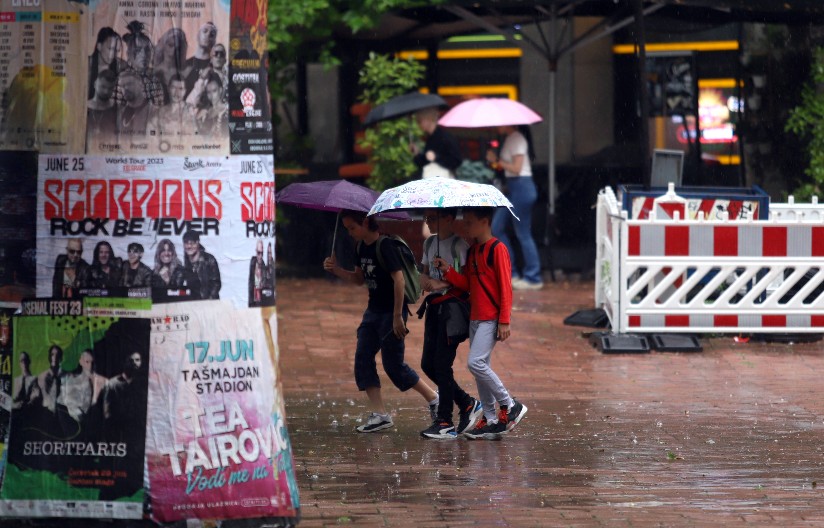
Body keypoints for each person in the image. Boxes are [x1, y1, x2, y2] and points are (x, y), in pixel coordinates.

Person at [323, 209, 438, 433]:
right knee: (363, 357)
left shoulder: (385, 246)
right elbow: (359, 279)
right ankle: (380, 414)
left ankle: (434, 398)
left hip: (392, 313)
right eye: (346, 229)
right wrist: (336, 270)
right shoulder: (360, 247)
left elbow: (399, 281)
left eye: (352, 228)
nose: (349, 233)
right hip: (373, 312)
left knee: (394, 366)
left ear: (366, 222)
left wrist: (397, 317)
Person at [434, 207, 528, 440]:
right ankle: (491, 418)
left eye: (469, 222)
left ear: (485, 221)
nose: (465, 226)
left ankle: (509, 404)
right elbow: (468, 284)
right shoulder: (474, 250)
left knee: (475, 363)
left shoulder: (497, 249)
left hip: (491, 317)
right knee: (480, 366)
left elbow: (505, 287)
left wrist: (504, 320)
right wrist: (448, 270)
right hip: (475, 317)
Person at [417, 209, 484, 440]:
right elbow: (424, 274)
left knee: (442, 364)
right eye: (426, 218)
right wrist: (426, 281)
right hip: (434, 308)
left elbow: (467, 283)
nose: (428, 222)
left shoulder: (459, 246)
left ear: (448, 219)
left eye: (432, 218)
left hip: (451, 310)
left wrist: (445, 276)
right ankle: (466, 403)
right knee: (428, 364)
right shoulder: (429, 244)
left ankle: (445, 421)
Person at [486, 124, 543, 290]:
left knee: (523, 233)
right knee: (497, 227)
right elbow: (508, 167)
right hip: (513, 188)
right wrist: (495, 162)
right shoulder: (511, 139)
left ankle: (533, 276)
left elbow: (517, 168)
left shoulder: (517, 138)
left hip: (521, 187)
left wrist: (497, 161)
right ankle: (512, 274)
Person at [121, 20, 164, 107]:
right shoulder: (122, 80)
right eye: (138, 50)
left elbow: (159, 110)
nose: (144, 55)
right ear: (128, 54)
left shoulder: (154, 80)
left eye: (147, 50)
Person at [57, 349, 107, 423]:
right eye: (87, 362)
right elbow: (69, 404)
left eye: (92, 362)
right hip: (70, 417)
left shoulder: (95, 378)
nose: (90, 366)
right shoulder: (73, 380)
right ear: (80, 361)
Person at [412, 107, 463, 178]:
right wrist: (416, 154)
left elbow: (456, 160)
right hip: (431, 178)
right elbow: (425, 162)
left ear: (429, 119)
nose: (418, 124)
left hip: (444, 180)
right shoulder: (430, 138)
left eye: (420, 121)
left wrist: (437, 158)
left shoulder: (445, 137)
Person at [148, 73, 197, 139]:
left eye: (181, 89)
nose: (177, 93)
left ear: (185, 91)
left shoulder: (191, 111)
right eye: (173, 87)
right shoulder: (159, 112)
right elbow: (150, 135)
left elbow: (195, 137)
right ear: (168, 89)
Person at [187, 70, 228, 138]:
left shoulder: (226, 110)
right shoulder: (205, 111)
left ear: (220, 90)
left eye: (214, 91)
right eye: (209, 92)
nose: (211, 95)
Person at [152, 27, 188, 103]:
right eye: (170, 45)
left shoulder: (186, 71)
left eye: (178, 48)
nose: (173, 50)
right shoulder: (154, 72)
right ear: (163, 45)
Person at [88, 27, 125, 101]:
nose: (113, 54)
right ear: (99, 46)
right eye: (110, 49)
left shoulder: (120, 65)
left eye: (117, 51)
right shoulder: (86, 65)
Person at [182, 230, 221, 299]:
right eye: (186, 243)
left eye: (192, 243)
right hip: (191, 303)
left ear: (198, 243)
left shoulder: (209, 260)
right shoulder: (184, 261)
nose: (189, 246)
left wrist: (208, 301)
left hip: (208, 303)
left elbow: (216, 284)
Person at [184, 21, 218, 96]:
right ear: (198, 35)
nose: (208, 35)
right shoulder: (185, 65)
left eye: (212, 34)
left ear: (214, 41)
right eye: (205, 31)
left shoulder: (215, 67)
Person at [117, 70, 152, 137]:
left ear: (141, 85)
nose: (125, 88)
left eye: (129, 84)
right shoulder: (119, 114)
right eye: (122, 86)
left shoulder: (154, 111)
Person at [87, 69, 118, 139]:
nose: (106, 91)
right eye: (103, 86)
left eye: (110, 88)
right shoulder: (83, 108)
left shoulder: (117, 109)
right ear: (95, 84)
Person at [37, 345, 65, 413]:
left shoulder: (65, 376)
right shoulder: (42, 376)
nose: (55, 357)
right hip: (46, 410)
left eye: (57, 355)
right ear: (50, 356)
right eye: (52, 354)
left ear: (60, 357)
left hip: (61, 410)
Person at [248, 239, 272, 306]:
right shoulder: (252, 263)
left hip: (261, 300)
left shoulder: (264, 266)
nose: (260, 256)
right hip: (253, 300)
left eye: (262, 253)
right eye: (259, 253)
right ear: (256, 251)